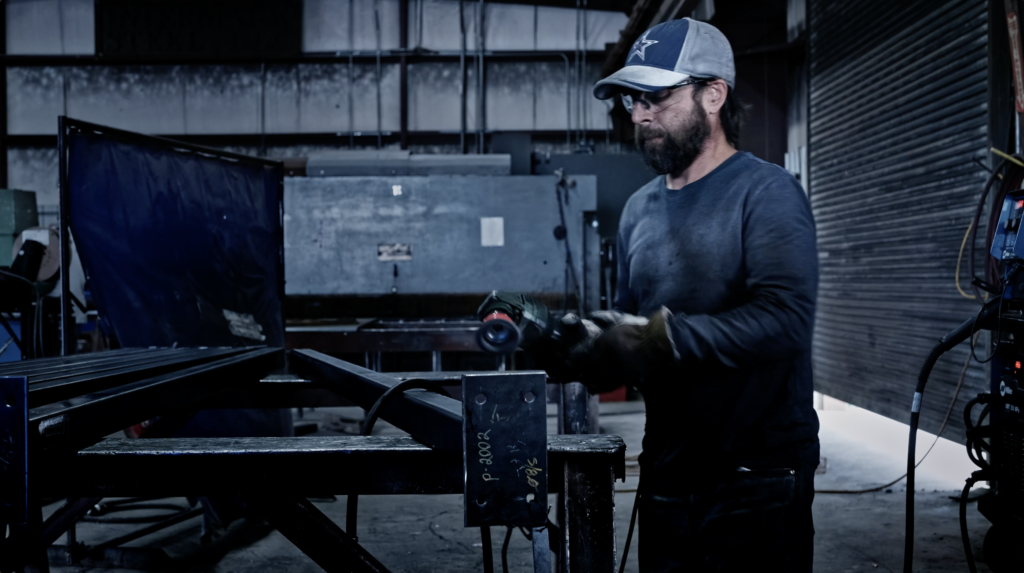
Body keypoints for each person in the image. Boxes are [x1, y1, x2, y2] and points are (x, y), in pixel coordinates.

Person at [579, 17, 820, 572]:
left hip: (757, 479)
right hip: (667, 471)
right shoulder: (639, 210)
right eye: (631, 102)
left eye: (657, 97)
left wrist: (662, 340)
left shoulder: (767, 194)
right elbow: (630, 328)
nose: (640, 115)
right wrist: (591, 349)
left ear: (713, 95)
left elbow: (785, 321)